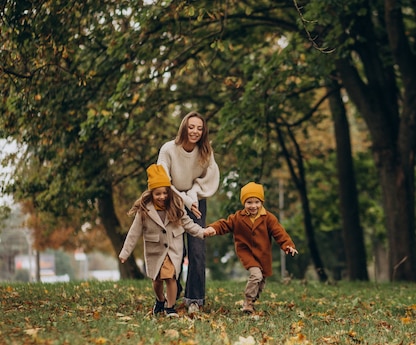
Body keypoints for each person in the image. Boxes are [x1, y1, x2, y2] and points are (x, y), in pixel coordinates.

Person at [119, 164, 212, 318]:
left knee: (170, 277)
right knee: (157, 281)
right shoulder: (144, 211)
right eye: (158, 194)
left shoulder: (175, 207)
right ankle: (160, 300)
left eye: (164, 193)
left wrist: (202, 232)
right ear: (151, 194)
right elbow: (133, 233)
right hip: (155, 250)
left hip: (173, 250)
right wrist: (125, 252)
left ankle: (170, 307)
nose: (162, 197)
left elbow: (189, 224)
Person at [157, 111, 220, 315]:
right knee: (175, 250)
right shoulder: (169, 149)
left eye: (199, 128)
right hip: (172, 201)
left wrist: (192, 196)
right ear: (184, 127)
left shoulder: (205, 152)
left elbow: (208, 179)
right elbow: (163, 179)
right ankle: (172, 294)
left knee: (197, 250)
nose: (195, 131)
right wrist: (183, 199)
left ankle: (194, 298)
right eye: (191, 127)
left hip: (196, 203)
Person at [206, 182, 298, 314]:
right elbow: (224, 225)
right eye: (249, 202)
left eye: (257, 202)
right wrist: (213, 229)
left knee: (261, 281)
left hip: (263, 253)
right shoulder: (238, 217)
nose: (253, 206)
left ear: (261, 202)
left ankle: (252, 302)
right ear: (244, 203)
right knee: (256, 275)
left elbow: (279, 233)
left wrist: (288, 245)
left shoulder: (268, 218)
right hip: (247, 252)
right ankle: (248, 302)